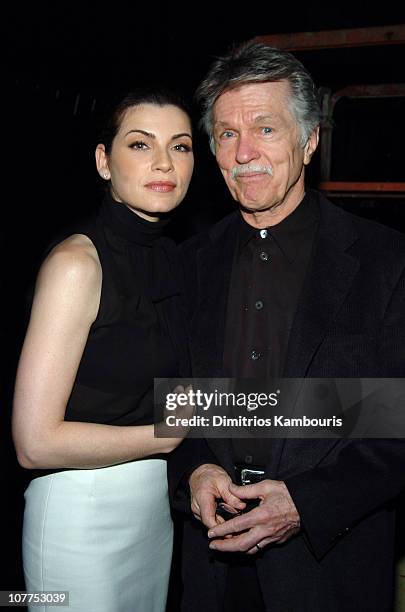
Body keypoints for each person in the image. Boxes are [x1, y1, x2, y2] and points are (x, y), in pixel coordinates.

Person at [168, 41, 405, 611]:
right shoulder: (190, 261)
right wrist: (195, 468)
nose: (244, 152)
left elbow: (397, 423)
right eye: (226, 134)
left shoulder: (385, 260)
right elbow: (180, 398)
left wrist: (306, 502)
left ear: (311, 140)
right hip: (210, 572)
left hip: (328, 573)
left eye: (266, 129)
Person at [12, 88, 194, 612]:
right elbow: (34, 442)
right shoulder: (77, 265)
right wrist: (164, 436)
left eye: (180, 146)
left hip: (152, 513)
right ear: (103, 161)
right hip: (79, 518)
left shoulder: (173, 258)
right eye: (141, 145)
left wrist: (356, 409)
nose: (164, 162)